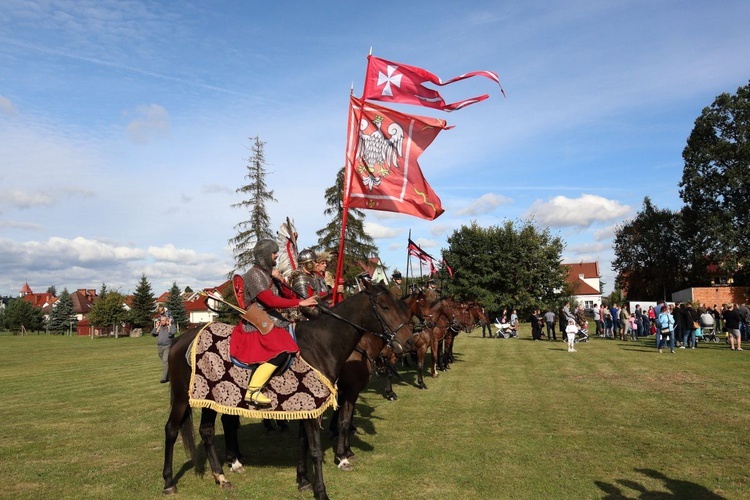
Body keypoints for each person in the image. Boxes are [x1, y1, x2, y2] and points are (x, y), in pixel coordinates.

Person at [229, 239, 318, 405]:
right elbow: (269, 300)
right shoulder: (254, 274)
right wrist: (300, 303)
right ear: (264, 255)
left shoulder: (269, 273)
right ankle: (253, 391)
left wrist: (280, 280)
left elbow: (288, 296)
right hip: (259, 321)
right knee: (281, 351)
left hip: (276, 319)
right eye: (274, 252)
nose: (276, 255)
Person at [152, 314, 176, 383]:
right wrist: (156, 327)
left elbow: (172, 333)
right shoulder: (159, 327)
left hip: (167, 346)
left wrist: (169, 326)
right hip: (159, 347)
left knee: (165, 362)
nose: (161, 321)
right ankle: (170, 375)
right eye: (161, 320)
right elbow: (153, 334)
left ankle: (164, 378)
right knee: (166, 362)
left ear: (167, 321)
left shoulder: (171, 326)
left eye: (163, 320)